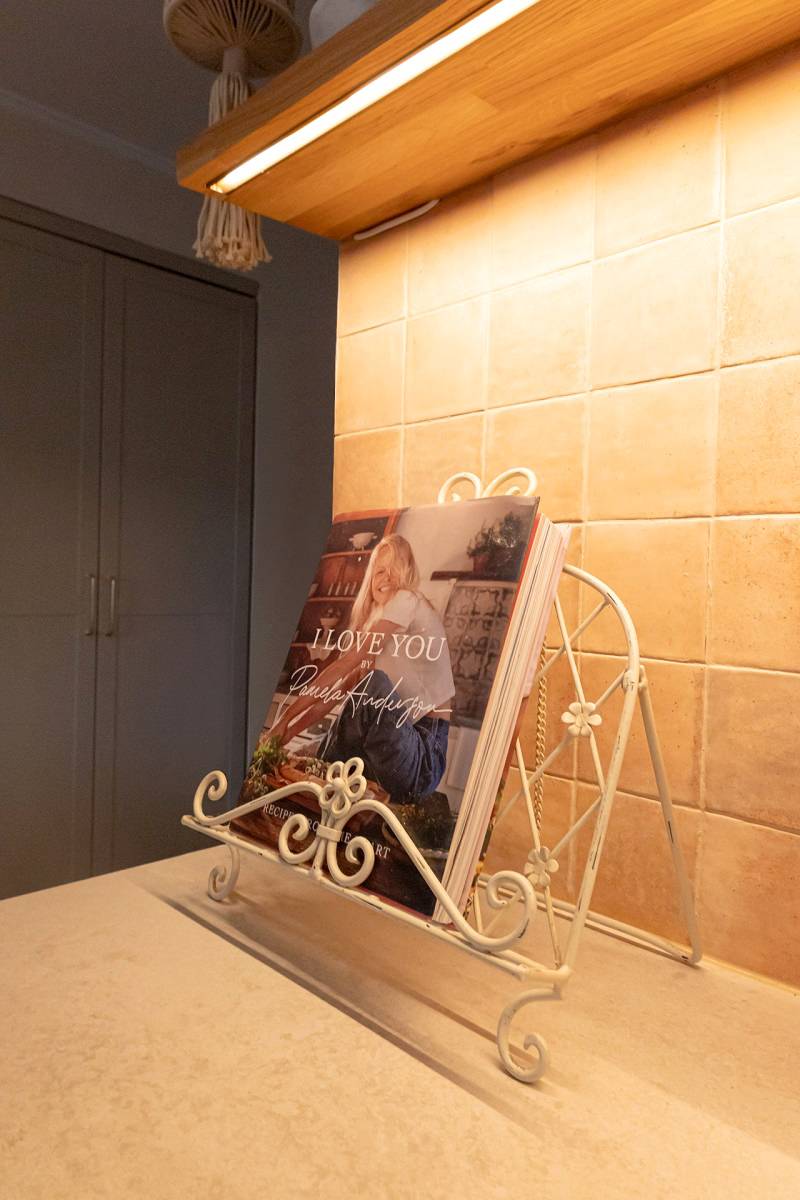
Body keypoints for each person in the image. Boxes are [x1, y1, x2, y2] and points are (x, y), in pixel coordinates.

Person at [269, 533, 455, 803]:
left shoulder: (407, 601)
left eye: (395, 571)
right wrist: (284, 735)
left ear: (406, 575)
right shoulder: (379, 627)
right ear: (370, 580)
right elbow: (329, 697)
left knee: (374, 685)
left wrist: (284, 719)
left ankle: (316, 767)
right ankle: (315, 765)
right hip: (394, 748)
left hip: (423, 756)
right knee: (361, 693)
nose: (387, 578)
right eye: (380, 572)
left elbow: (345, 664)